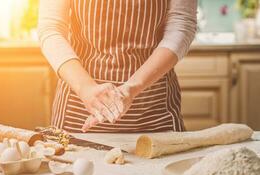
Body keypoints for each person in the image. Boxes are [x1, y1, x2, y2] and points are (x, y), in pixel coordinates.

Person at [37, 0, 197, 133]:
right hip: (77, 113)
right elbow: (51, 28)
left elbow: (181, 24)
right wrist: (86, 88)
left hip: (154, 114)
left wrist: (133, 87)